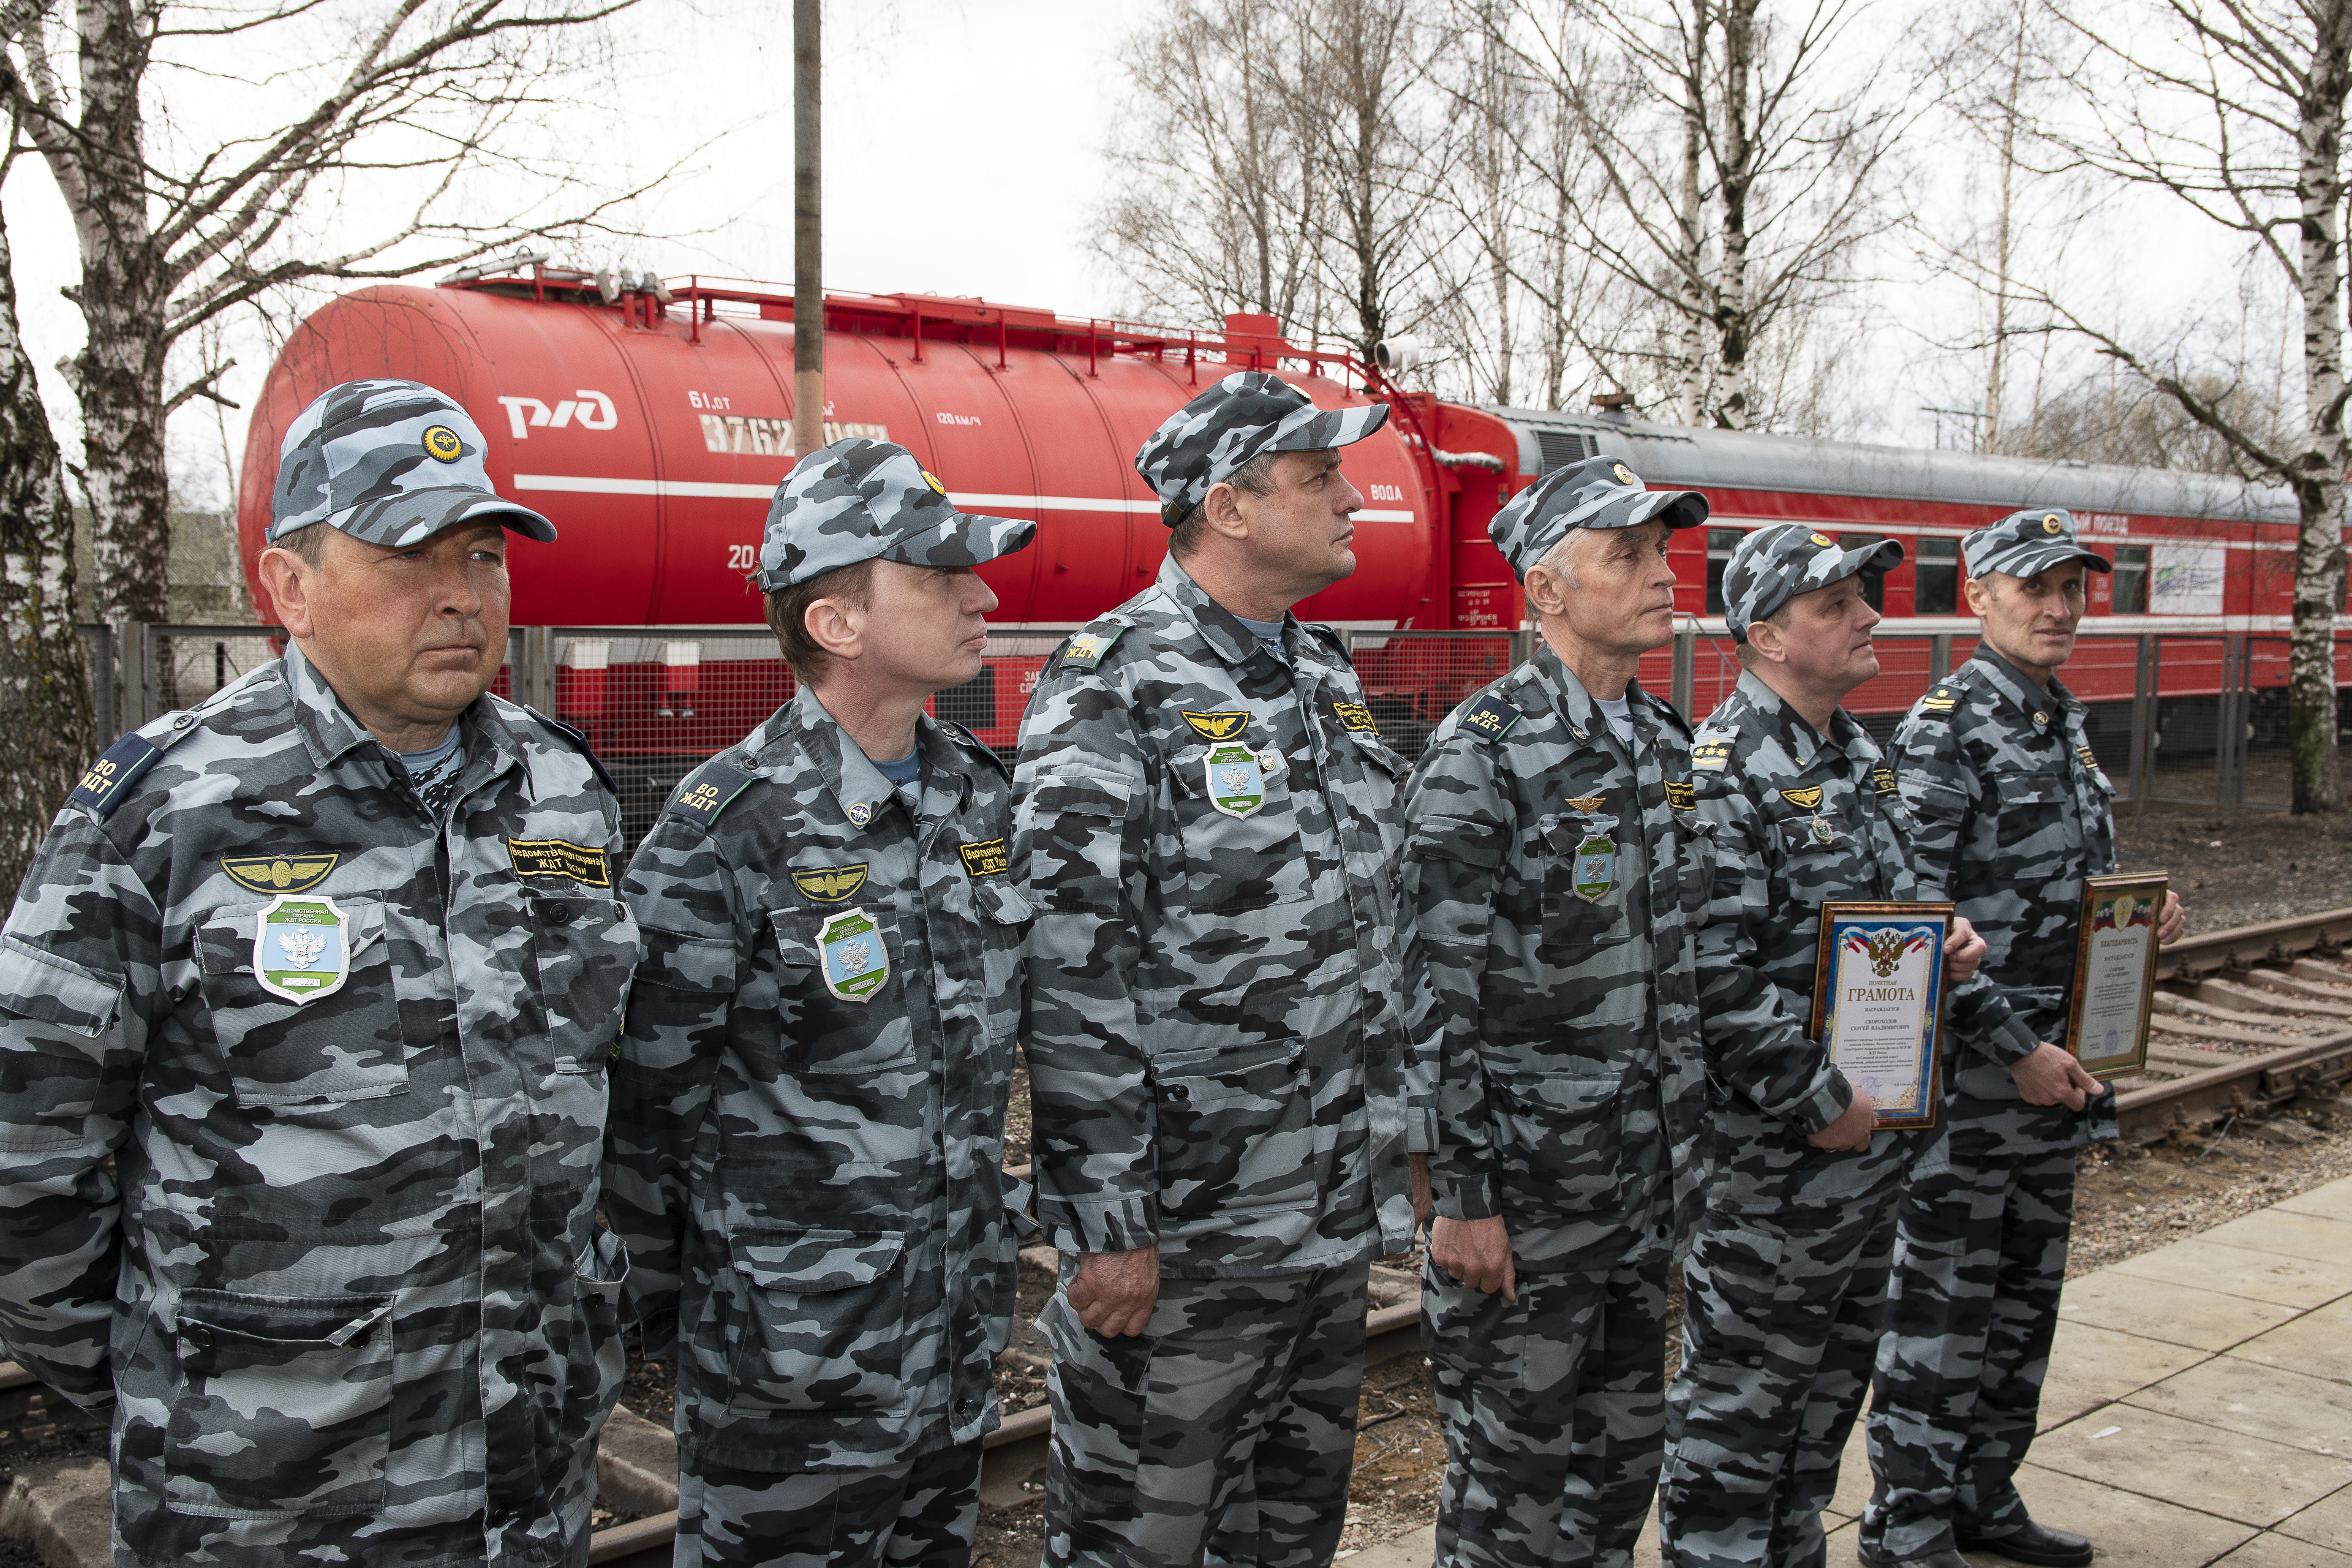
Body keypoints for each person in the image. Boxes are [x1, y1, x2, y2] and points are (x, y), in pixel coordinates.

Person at [0, 378, 635, 1565]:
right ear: (289, 588)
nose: (461, 594)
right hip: (270, 1498)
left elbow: (596, 1096)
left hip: (531, 1477)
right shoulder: (166, 812)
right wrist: (163, 1378)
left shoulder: (561, 791)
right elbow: (28, 1164)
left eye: (485, 555)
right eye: (408, 553)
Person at [1014, 369, 1434, 1568]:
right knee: (1140, 1541)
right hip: (1190, 1237)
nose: (1354, 501)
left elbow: (1368, 930)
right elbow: (1074, 963)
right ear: (1232, 507)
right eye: (1321, 478)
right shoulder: (1115, 682)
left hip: (1325, 1221)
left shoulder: (1324, 674)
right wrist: (1109, 1221)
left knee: (1291, 1535)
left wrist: (1401, 1136)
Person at [602, 438, 1037, 1568]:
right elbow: (645, 1108)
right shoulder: (725, 832)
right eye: (943, 578)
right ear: (839, 625)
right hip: (790, 1374)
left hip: (951, 1348)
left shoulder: (979, 799)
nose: (982, 596)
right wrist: (697, 1317)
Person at [1655, 525, 1993, 1568]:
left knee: (1820, 1407)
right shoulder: (1723, 771)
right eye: (1838, 604)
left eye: (1865, 596)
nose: (1871, 616)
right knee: (1740, 1410)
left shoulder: (1857, 752)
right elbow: (1711, 971)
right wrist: (1815, 1095)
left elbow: (1870, 924)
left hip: (1870, 1147)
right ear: (1767, 634)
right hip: (1778, 1164)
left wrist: (1945, 943)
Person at [1860, 508, 2185, 1568]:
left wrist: (2140, 912)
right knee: (1943, 1306)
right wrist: (2014, 1046)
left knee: (2022, 1301)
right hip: (1977, 1079)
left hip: (2061, 1068)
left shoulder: (2057, 715)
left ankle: (1982, 1496)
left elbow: (2060, 878)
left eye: (2072, 587)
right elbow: (1913, 920)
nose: (2059, 607)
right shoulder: (1945, 728)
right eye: (2034, 586)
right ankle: (1905, 1522)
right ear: (1980, 595)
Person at [1403, 456, 1713, 1568]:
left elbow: (1686, 966)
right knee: (1509, 1497)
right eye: (1626, 556)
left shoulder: (1668, 749)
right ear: (1547, 591)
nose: (1662, 575)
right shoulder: (1482, 757)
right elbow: (1433, 998)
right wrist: (1464, 1197)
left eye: (1663, 552)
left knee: (1621, 1471)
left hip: (1640, 1196)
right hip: (1528, 1215)